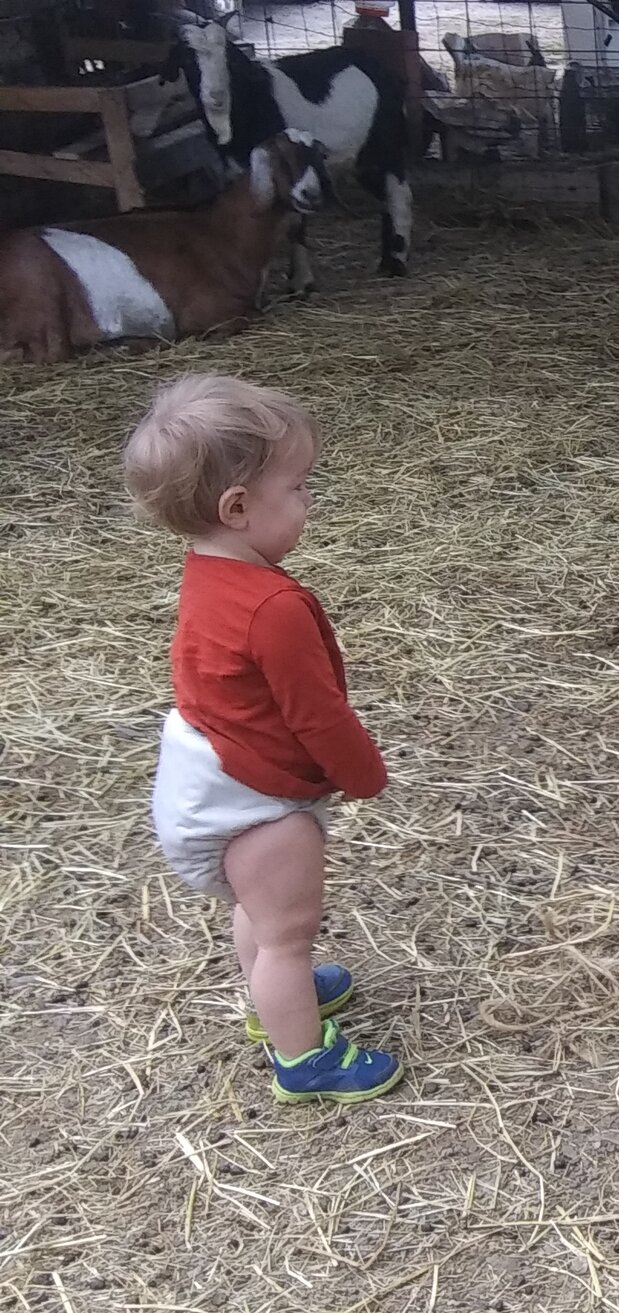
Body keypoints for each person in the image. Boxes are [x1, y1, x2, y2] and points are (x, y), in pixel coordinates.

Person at [126, 374, 401, 1103]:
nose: (308, 502)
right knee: (287, 929)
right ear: (239, 507)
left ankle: (279, 999)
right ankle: (303, 1058)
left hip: (211, 777)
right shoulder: (272, 607)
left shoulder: (208, 571)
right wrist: (364, 773)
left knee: (259, 909)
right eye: (299, 487)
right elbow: (316, 714)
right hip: (260, 797)